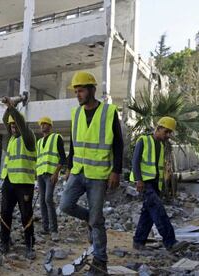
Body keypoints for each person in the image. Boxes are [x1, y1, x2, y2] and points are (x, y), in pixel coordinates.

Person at [59, 71, 123, 275]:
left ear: (92, 90)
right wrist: (69, 167)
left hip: (99, 174)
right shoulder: (75, 114)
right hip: (78, 171)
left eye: (81, 90)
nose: (78, 94)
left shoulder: (109, 112)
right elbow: (74, 145)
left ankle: (100, 261)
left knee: (97, 220)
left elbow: (118, 145)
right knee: (65, 205)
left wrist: (116, 171)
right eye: (76, 91)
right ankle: (92, 220)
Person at [131, 116, 188, 252]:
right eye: (166, 131)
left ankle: (139, 242)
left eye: (170, 133)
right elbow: (135, 161)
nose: (168, 135)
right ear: (159, 128)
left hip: (155, 185)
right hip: (145, 183)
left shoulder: (161, 146)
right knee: (158, 211)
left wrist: (162, 187)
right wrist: (139, 180)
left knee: (148, 214)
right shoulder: (143, 140)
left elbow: (159, 169)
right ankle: (170, 242)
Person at [0, 96, 37, 260]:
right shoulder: (12, 139)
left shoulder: (28, 138)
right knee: (5, 212)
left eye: (15, 124)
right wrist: (9, 108)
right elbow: (4, 119)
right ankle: (4, 242)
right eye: (11, 125)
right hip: (9, 182)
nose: (13, 127)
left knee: (26, 214)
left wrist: (13, 108)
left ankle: (30, 245)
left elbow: (21, 122)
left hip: (24, 183)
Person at [36, 116, 67, 241]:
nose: (43, 126)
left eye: (45, 124)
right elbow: (39, 159)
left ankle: (54, 230)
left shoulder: (56, 138)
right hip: (40, 174)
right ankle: (45, 228)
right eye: (41, 124)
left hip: (50, 174)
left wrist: (56, 173)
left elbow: (63, 158)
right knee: (42, 201)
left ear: (50, 126)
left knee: (48, 199)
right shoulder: (39, 142)